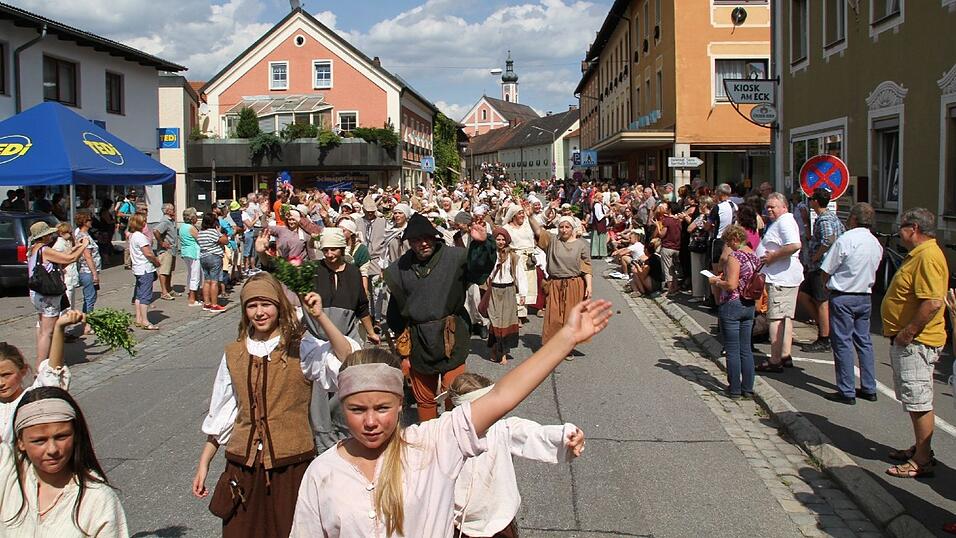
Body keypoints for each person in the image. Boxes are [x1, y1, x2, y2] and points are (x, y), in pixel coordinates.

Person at [289, 299, 612, 536]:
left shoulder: (432, 444)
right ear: (342, 406)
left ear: (401, 405)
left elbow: (502, 396)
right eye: (357, 410)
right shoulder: (323, 471)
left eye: (382, 408)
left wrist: (566, 337)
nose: (370, 421)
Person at [192, 273, 358, 538]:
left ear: (279, 306)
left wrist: (320, 318)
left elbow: (346, 358)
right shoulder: (234, 353)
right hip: (242, 467)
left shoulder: (300, 348)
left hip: (290, 466)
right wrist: (204, 464)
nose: (259, 312)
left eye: (265, 304)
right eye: (252, 305)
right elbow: (223, 412)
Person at [384, 213, 495, 422]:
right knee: (424, 398)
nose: (423, 243)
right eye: (416, 240)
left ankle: (455, 436)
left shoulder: (455, 258)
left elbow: (478, 270)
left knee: (456, 392)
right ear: (409, 242)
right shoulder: (399, 269)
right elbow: (395, 313)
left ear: (435, 236)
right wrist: (403, 352)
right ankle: (429, 437)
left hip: (452, 334)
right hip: (418, 339)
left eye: (427, 237)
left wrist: (481, 245)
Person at [449, 373, 584, 538]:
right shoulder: (446, 434)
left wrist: (567, 436)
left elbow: (535, 434)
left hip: (496, 522)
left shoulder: (503, 429)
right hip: (457, 523)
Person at [1, 385, 128, 536]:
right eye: (39, 441)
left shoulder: (97, 499)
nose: (52, 449)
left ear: (75, 436)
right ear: (20, 442)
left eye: (61, 437)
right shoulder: (8, 472)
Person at [880, 208, 948, 479]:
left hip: (918, 341)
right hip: (911, 340)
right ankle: (920, 448)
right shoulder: (921, 254)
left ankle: (922, 459)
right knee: (913, 397)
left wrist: (909, 331)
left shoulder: (928, 256)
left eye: (902, 227)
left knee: (919, 400)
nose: (899, 232)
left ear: (914, 229)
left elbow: (932, 301)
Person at [819, 203, 883, 405]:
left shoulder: (846, 239)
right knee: (864, 342)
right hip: (864, 295)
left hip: (844, 294)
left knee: (843, 342)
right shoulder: (875, 242)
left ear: (853, 219)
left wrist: (825, 282)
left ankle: (846, 390)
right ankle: (868, 386)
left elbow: (827, 268)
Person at [0, 310, 78, 444]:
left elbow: (53, 370)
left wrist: (59, 328)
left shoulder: (32, 399)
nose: (1, 383)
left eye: (6, 375)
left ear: (23, 371)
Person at [527, 214, 592, 360]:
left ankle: (568, 348)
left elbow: (586, 266)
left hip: (574, 284)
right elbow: (538, 231)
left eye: (567, 227)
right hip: (556, 284)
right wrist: (530, 215)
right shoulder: (552, 241)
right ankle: (553, 346)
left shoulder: (580, 245)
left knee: (570, 317)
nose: (564, 230)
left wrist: (589, 286)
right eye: (561, 227)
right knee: (554, 316)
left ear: (572, 229)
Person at [708, 225, 760, 399]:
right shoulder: (754, 256)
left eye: (729, 242)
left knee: (732, 348)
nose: (728, 245)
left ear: (734, 239)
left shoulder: (735, 257)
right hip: (749, 304)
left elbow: (731, 284)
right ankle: (748, 387)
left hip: (733, 303)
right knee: (745, 348)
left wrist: (716, 282)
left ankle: (735, 388)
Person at [27, 222, 87, 368]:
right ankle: (42, 366)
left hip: (37, 293)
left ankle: (46, 360)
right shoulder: (45, 249)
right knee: (48, 332)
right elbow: (69, 259)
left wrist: (76, 247)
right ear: (44, 236)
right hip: (48, 294)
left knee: (42, 328)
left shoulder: (33, 249)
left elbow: (62, 258)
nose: (51, 236)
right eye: (49, 234)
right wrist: (84, 246)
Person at [755, 193, 803, 373]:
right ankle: (784, 354)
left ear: (784, 207)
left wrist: (772, 257)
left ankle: (775, 360)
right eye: (767, 207)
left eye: (773, 207)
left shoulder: (785, 221)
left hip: (782, 278)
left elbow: (794, 245)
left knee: (775, 319)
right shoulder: (782, 221)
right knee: (785, 317)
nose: (769, 210)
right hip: (783, 277)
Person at [799, 188, 845, 353]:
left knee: (821, 301)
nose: (810, 201)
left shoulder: (825, 219)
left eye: (811, 199)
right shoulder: (829, 218)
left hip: (821, 266)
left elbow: (828, 238)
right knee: (804, 295)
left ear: (816, 201)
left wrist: (816, 256)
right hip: (818, 267)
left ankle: (825, 337)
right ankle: (823, 327)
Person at [485, 228, 527, 365]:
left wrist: (523, 294)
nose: (501, 242)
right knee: (495, 321)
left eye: (503, 239)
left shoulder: (513, 256)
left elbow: (520, 275)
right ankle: (495, 347)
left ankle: (503, 353)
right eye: (498, 239)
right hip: (494, 290)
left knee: (507, 322)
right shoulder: (490, 254)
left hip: (508, 290)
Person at [127, 214, 161, 331]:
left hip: (137, 268)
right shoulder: (140, 237)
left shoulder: (132, 236)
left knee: (139, 294)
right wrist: (156, 261)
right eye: (144, 222)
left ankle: (138, 318)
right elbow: (148, 253)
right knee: (145, 296)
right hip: (145, 268)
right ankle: (145, 321)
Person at [73, 213, 101, 336]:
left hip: (86, 271)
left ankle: (87, 323)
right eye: (89, 220)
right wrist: (95, 274)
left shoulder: (81, 234)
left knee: (90, 297)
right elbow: (87, 256)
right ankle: (87, 326)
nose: (91, 222)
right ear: (84, 222)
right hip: (87, 271)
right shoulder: (84, 236)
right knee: (90, 298)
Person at [198, 212, 229, 313]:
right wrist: (220, 231)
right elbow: (225, 241)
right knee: (214, 281)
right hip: (214, 256)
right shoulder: (213, 231)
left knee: (207, 281)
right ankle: (214, 304)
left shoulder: (200, 233)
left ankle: (207, 303)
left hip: (203, 257)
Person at [687, 197, 713, 301]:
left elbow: (689, 228)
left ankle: (698, 294)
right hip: (708, 244)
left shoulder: (702, 216)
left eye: (700, 204)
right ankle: (707, 294)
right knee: (706, 269)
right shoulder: (713, 215)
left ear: (705, 205)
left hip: (698, 244)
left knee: (697, 269)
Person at [153, 203, 179, 301]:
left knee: (169, 271)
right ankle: (164, 292)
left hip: (171, 250)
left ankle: (169, 289)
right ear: (167, 211)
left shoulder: (171, 221)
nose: (174, 211)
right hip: (165, 251)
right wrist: (161, 242)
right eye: (172, 209)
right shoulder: (165, 221)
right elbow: (156, 231)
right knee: (164, 271)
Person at [53, 222, 80, 316]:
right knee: (66, 305)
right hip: (65, 277)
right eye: (68, 232)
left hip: (70, 275)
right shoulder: (58, 245)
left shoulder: (67, 242)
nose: (71, 234)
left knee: (71, 303)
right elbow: (59, 259)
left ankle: (67, 326)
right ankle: (63, 326)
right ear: (61, 233)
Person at [179, 208, 203, 307]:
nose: (197, 218)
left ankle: (192, 295)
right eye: (196, 216)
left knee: (190, 274)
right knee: (195, 275)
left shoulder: (182, 226)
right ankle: (192, 299)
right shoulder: (191, 228)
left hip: (186, 252)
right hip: (194, 252)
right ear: (192, 218)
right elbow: (200, 238)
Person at [658, 203, 683, 294]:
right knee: (674, 269)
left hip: (667, 246)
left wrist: (658, 226)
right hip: (677, 247)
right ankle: (675, 287)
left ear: (670, 210)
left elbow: (662, 234)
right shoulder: (679, 221)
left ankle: (670, 289)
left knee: (668, 269)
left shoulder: (667, 220)